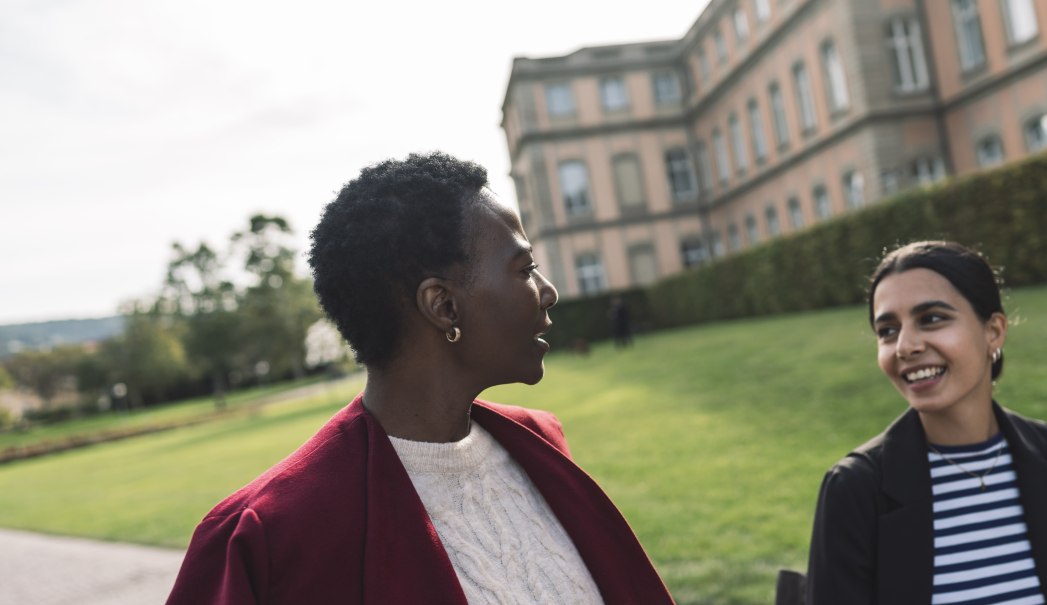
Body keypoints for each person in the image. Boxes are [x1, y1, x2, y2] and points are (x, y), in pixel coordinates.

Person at [167, 152, 674, 604]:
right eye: (524, 268)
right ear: (443, 306)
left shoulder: (539, 444)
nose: (548, 291)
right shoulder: (267, 537)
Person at [806, 241, 1047, 605]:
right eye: (887, 330)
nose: (905, 346)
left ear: (993, 331)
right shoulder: (856, 488)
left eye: (931, 318)